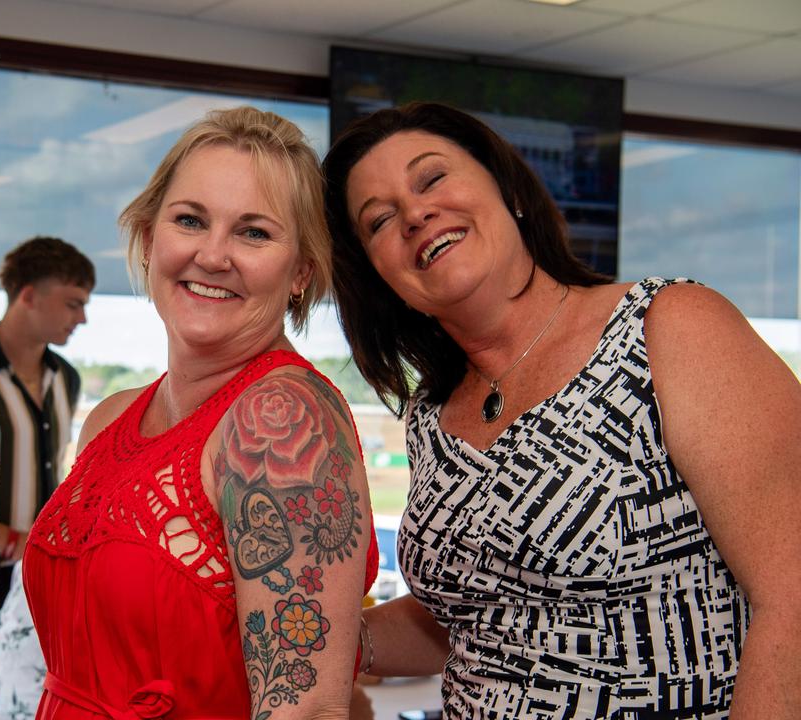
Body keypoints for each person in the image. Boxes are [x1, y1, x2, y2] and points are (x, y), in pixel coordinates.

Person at [323, 101, 801, 718]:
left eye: (432, 178)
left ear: (509, 191)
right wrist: (307, 639)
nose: (415, 214)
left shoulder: (667, 328)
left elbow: (791, 595)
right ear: (381, 275)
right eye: (380, 220)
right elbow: (479, 618)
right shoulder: (430, 416)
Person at [23, 107, 379, 719]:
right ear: (148, 234)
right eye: (190, 220)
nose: (213, 256)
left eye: (254, 233)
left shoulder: (282, 419)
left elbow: (308, 709)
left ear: (302, 272)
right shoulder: (110, 419)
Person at [0, 236, 94, 719]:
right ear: (29, 295)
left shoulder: (68, 378)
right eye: (73, 303)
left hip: (37, 579)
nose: (81, 318)